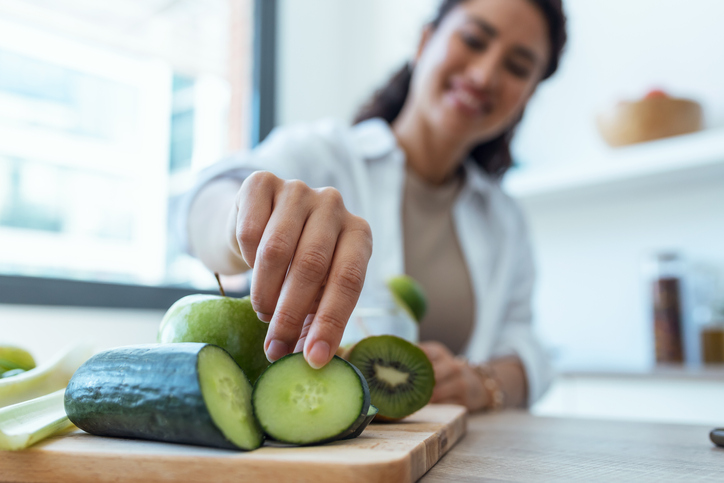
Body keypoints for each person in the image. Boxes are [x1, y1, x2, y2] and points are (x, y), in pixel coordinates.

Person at [184, 0, 567, 412]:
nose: (484, 74)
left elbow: (526, 346)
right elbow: (201, 204)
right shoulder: (324, 155)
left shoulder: (504, 219)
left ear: (528, 94)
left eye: (518, 67)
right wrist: (238, 220)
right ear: (425, 41)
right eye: (473, 40)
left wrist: (483, 384)